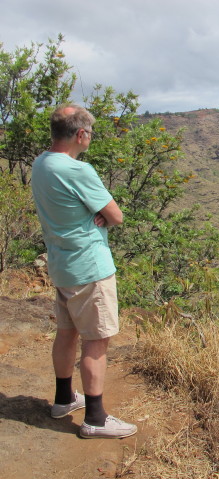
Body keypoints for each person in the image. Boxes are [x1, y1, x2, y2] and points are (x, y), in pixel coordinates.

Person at [31, 104, 137, 439]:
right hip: (90, 267)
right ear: (80, 134)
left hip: (61, 264)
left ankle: (64, 399)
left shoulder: (41, 163)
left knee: (67, 333)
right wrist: (103, 215)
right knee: (96, 340)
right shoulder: (79, 171)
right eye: (89, 133)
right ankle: (95, 419)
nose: (90, 137)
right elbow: (117, 216)